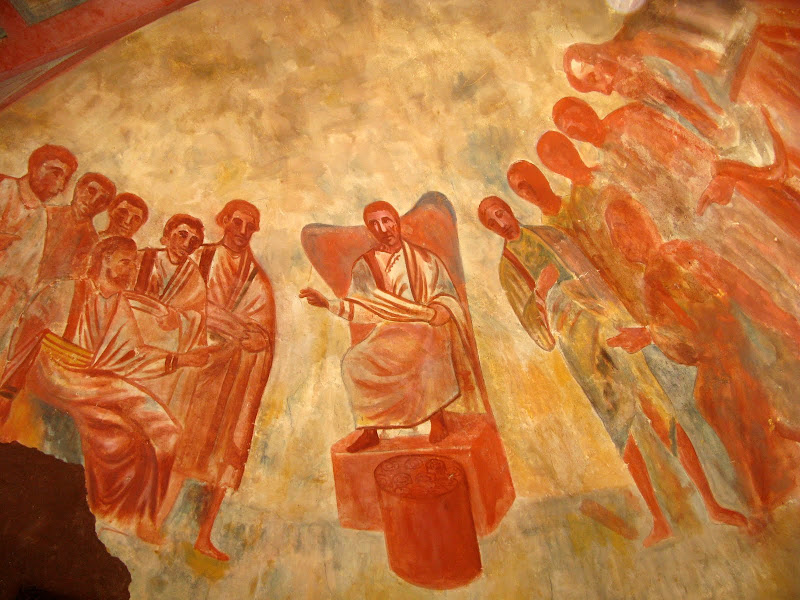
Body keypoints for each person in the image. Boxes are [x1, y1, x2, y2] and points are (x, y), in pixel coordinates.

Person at [479, 196, 748, 545]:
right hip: (580, 347)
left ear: (509, 209)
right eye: (492, 222)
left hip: (609, 325)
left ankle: (712, 505)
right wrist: (541, 292)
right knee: (621, 429)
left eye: (500, 213)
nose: (501, 223)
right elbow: (539, 335)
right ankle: (659, 520)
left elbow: (596, 277)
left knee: (658, 408)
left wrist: (620, 315)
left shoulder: (552, 236)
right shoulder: (509, 269)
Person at [605, 195, 800, 525]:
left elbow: (705, 317)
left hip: (730, 366)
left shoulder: (668, 264)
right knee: (742, 430)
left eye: (623, 228)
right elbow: (694, 333)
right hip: (725, 366)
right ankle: (763, 505)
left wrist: (652, 334)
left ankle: (764, 507)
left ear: (643, 224)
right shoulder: (663, 268)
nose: (619, 242)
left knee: (746, 428)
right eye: (614, 234)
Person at [0, 236, 211, 542]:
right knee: (121, 433)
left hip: (93, 378)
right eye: (125, 262)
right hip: (56, 374)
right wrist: (7, 390)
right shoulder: (64, 291)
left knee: (168, 430)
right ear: (103, 260)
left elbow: (132, 355)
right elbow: (26, 337)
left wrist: (180, 360)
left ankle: (146, 516)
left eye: (134, 263)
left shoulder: (118, 303)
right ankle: (114, 514)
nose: (132, 269)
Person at [300, 200, 484, 454]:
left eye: (386, 221)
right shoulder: (365, 265)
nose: (382, 228)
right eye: (374, 224)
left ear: (396, 222)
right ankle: (370, 430)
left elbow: (445, 294)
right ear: (369, 229)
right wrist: (328, 304)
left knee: (427, 349)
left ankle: (437, 418)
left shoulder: (425, 259)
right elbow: (362, 305)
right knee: (354, 361)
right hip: (389, 330)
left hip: (424, 325)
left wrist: (437, 311)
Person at [159, 200, 275, 561]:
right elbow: (181, 302)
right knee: (181, 441)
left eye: (250, 226)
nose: (242, 231)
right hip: (194, 367)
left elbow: (264, 331)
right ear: (223, 221)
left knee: (226, 451)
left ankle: (204, 536)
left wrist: (256, 338)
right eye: (237, 222)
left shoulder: (256, 277)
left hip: (233, 375)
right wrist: (231, 326)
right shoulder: (201, 258)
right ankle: (156, 520)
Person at [0, 145, 78, 351]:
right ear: (34, 168)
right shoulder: (5, 189)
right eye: (55, 172)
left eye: (65, 179)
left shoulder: (41, 216)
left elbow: (28, 270)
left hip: (9, 305)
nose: (60, 185)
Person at [133, 214, 207, 421]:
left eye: (194, 241)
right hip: (134, 339)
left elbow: (198, 315)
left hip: (165, 346)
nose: (187, 243)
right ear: (167, 235)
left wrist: (178, 317)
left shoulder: (193, 277)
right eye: (182, 235)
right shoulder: (142, 259)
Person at [37, 172, 116, 283]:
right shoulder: (45, 214)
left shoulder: (93, 242)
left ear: (104, 207)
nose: (93, 201)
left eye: (102, 199)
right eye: (91, 191)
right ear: (78, 188)